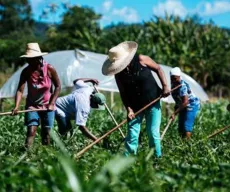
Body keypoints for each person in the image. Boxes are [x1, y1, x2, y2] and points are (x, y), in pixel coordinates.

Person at [102, 41, 170, 158]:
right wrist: (129, 109)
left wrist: (165, 86)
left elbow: (158, 69)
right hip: (134, 106)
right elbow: (123, 93)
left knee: (153, 133)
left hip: (153, 100)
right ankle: (128, 160)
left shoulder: (141, 59)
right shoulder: (118, 74)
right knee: (132, 135)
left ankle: (157, 159)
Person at [12, 43, 61, 147]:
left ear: (38, 58)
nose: (28, 61)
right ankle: (27, 156)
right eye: (27, 59)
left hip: (48, 106)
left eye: (30, 59)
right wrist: (16, 106)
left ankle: (45, 157)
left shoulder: (49, 69)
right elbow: (20, 90)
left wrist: (52, 103)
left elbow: (58, 86)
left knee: (46, 133)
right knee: (31, 131)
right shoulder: (26, 71)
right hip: (32, 106)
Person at [170, 67, 200, 139]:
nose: (174, 80)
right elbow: (178, 101)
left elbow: (185, 102)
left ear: (179, 77)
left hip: (191, 105)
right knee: (180, 127)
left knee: (186, 126)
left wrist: (175, 113)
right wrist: (175, 111)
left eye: (175, 78)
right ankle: (182, 144)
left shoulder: (182, 86)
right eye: (172, 78)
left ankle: (187, 146)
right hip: (183, 105)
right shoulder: (173, 86)